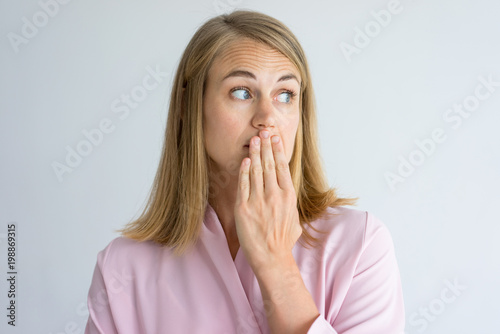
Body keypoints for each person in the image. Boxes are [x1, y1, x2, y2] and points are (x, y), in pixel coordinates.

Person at [84, 10, 405, 334]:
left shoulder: (359, 246)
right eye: (242, 92)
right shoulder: (122, 269)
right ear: (188, 107)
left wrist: (276, 263)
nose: (267, 117)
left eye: (285, 95)